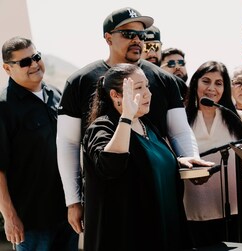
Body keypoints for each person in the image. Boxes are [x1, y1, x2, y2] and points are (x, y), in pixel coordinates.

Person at [56, 7, 203, 235]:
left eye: (141, 35)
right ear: (108, 38)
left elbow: (180, 132)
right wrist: (73, 201)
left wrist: (191, 162)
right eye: (128, 34)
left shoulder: (164, 80)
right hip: (111, 203)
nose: (136, 40)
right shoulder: (79, 81)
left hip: (159, 199)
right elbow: (68, 144)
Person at [82, 63, 207, 250]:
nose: (148, 93)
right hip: (130, 237)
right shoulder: (102, 127)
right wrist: (125, 116)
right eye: (138, 88)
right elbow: (110, 166)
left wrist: (177, 161)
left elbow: (146, 162)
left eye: (147, 86)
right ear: (115, 95)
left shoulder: (147, 125)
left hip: (166, 230)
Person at [0, 37, 78, 250]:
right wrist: (9, 216)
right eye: (25, 62)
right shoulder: (4, 108)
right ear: (7, 68)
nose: (34, 64)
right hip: (31, 224)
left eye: (36, 57)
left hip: (67, 214)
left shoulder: (56, 95)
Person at [184, 60, 242, 247]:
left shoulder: (239, 119)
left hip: (233, 210)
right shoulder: (180, 119)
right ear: (195, 82)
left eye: (218, 83)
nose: (211, 88)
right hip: (192, 208)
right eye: (206, 81)